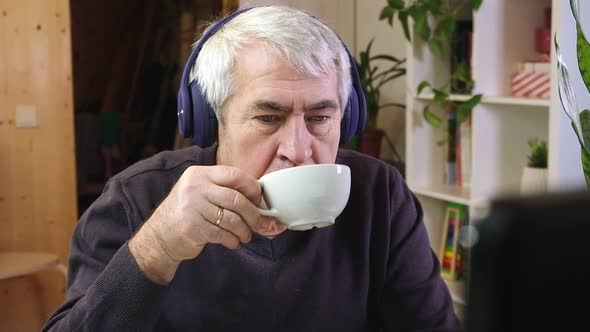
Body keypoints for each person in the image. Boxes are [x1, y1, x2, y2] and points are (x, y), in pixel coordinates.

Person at [43, 5, 460, 331]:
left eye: (319, 118)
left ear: (346, 119)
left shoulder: (379, 194)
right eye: (268, 118)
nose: (298, 151)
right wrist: (157, 248)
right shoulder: (135, 200)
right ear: (213, 119)